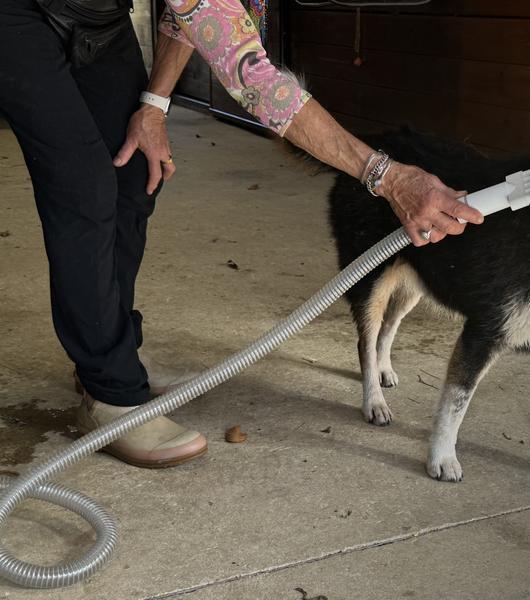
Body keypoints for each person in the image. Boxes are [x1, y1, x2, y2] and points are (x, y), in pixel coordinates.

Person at [0, 0, 483, 468]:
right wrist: (389, 177)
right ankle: (110, 392)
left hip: (97, 16)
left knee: (132, 175)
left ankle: (107, 357)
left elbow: (187, 15)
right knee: (84, 186)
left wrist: (153, 104)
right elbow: (256, 80)